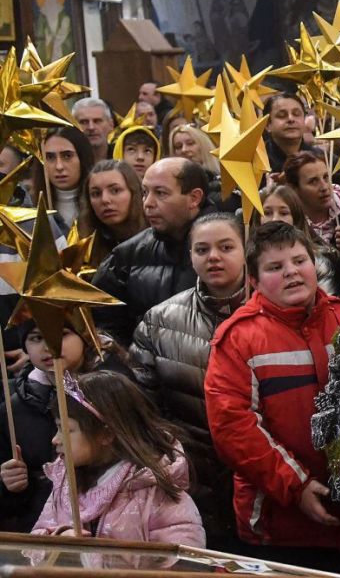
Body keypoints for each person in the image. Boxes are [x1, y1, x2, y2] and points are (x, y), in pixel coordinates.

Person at [206, 222, 340, 573]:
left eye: (299, 261)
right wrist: (296, 486)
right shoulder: (238, 339)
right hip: (280, 525)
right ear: (253, 280)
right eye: (275, 267)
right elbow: (233, 428)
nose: (291, 272)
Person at [129, 213, 245, 549]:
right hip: (193, 473)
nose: (214, 257)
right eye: (202, 249)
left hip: (262, 473)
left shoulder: (273, 310)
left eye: (226, 247)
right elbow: (144, 403)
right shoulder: (160, 320)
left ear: (245, 249)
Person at [30, 370, 203, 545]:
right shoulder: (65, 482)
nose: (55, 439)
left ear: (106, 434)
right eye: (57, 428)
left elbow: (184, 562)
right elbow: (35, 543)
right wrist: (58, 542)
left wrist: (98, 558)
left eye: (66, 430)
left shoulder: (155, 489)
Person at [0, 322, 134, 533]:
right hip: (43, 529)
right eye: (36, 338)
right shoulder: (12, 406)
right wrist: (13, 486)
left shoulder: (116, 390)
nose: (48, 345)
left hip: (117, 524)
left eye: (61, 334)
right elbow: (10, 504)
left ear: (85, 338)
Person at [92, 158, 214, 346]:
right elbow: (106, 327)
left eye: (161, 193)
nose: (148, 203)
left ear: (194, 198)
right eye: (145, 192)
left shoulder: (231, 248)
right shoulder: (127, 256)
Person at [260, 184, 340, 295]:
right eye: (267, 213)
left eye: (284, 213)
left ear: (296, 218)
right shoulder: (246, 260)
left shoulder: (319, 263)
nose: (275, 219)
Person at [78, 159, 147, 265]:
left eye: (115, 190)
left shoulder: (159, 236)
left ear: (134, 193)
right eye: (96, 193)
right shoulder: (83, 242)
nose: (105, 200)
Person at [34, 126, 95, 228]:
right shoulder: (29, 207)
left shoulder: (100, 203)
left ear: (82, 158)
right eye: (50, 157)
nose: (59, 166)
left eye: (67, 156)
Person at [263, 93, 313, 173]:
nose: (291, 119)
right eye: (282, 115)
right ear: (267, 124)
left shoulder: (323, 159)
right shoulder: (257, 162)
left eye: (296, 114)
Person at [71, 98, 115, 162]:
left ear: (111, 125)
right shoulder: (67, 162)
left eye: (97, 121)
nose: (91, 127)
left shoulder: (122, 158)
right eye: (84, 122)